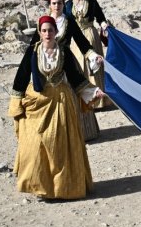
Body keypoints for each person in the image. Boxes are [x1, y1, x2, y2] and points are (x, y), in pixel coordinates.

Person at [8, 15, 104, 199]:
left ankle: (63, 188)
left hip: (61, 101)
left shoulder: (64, 52)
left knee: (61, 146)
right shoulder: (32, 52)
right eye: (43, 31)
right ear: (39, 32)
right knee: (35, 144)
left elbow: (76, 78)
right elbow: (21, 77)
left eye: (50, 30)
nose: (47, 34)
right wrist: (16, 102)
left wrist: (92, 92)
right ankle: (40, 186)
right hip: (38, 102)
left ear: (56, 32)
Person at [29, 0, 104, 140]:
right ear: (50, 5)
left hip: (67, 63)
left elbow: (81, 41)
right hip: (47, 66)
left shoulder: (69, 21)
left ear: (64, 4)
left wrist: (93, 55)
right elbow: (33, 46)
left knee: (74, 94)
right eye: (54, 3)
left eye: (60, 3)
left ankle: (81, 132)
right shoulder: (44, 23)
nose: (57, 6)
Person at [65, 0, 111, 109]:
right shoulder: (68, 5)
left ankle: (98, 101)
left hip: (90, 34)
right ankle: (83, 100)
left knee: (94, 66)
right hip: (75, 38)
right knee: (78, 66)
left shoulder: (92, 2)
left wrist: (104, 25)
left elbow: (101, 18)